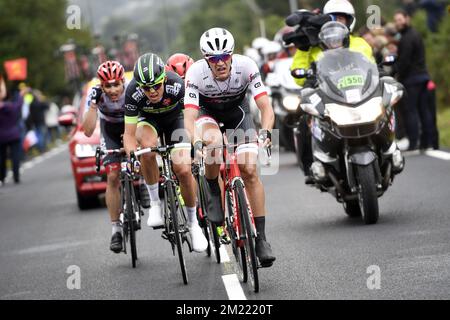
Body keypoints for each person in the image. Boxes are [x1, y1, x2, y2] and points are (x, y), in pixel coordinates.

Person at [183, 27, 276, 267]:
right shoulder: (195, 74)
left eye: (225, 57)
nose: (220, 63)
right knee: (213, 143)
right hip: (207, 113)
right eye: (214, 59)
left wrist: (265, 130)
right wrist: (196, 142)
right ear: (206, 60)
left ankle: (262, 239)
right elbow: (189, 118)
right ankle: (213, 187)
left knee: (250, 171)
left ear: (232, 55)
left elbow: (265, 107)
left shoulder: (247, 66)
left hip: (238, 113)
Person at [123, 52, 208, 253]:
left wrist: (195, 142)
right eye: (146, 88)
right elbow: (128, 134)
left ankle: (193, 224)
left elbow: (190, 119)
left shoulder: (176, 84)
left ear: (164, 78)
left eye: (156, 85)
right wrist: (132, 154)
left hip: (175, 120)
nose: (152, 91)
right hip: (149, 122)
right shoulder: (132, 91)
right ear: (139, 86)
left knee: (183, 169)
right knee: (147, 147)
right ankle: (154, 203)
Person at [288, 0, 375, 183]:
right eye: (332, 18)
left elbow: (371, 68)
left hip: (357, 93)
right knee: (303, 118)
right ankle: (313, 168)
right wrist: (304, 48)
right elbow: (297, 76)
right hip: (325, 95)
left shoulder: (359, 43)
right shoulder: (311, 44)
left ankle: (388, 148)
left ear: (349, 21)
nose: (336, 22)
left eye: (341, 18)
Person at [82, 60, 145, 253]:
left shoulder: (132, 89)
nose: (112, 90)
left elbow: (145, 118)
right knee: (112, 176)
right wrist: (93, 105)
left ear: (122, 82)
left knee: (140, 150)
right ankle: (116, 229)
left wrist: (134, 139)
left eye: (116, 84)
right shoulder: (96, 94)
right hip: (108, 130)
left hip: (131, 125)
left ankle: (141, 182)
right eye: (107, 86)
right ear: (101, 84)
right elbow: (87, 130)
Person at [394, 10, 438, 150]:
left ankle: (414, 142)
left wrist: (397, 73)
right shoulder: (415, 34)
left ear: (407, 18)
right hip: (423, 77)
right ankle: (428, 141)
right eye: (396, 20)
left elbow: (404, 61)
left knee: (411, 111)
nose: (398, 23)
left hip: (412, 79)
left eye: (400, 19)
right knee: (424, 110)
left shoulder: (406, 38)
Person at [0, 80, 24, 186]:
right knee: (15, 156)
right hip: (14, 134)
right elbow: (19, 105)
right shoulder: (10, 106)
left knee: (2, 158)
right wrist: (20, 95)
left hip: (1, 136)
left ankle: (2, 177)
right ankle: (16, 176)